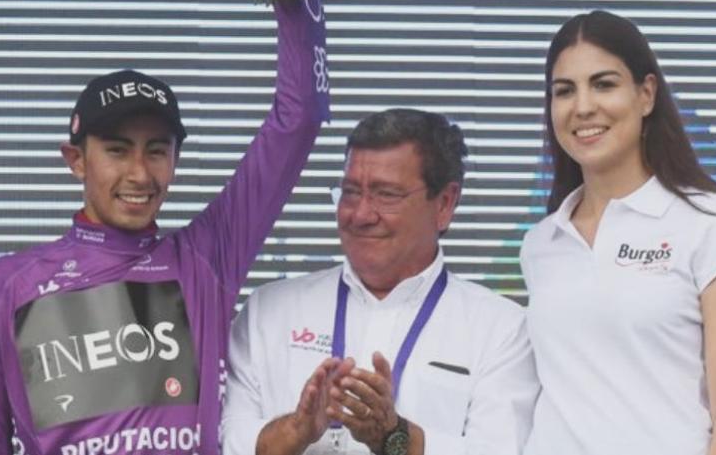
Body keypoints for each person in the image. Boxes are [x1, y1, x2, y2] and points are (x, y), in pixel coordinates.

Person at [0, 0, 328, 455]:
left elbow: (299, 120)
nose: (139, 174)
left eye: (156, 151)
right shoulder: (6, 285)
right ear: (76, 159)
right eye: (117, 151)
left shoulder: (207, 258)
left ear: (175, 159)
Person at [222, 108, 539, 455]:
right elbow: (224, 439)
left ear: (445, 204)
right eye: (350, 192)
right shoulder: (268, 311)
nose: (361, 214)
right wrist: (295, 430)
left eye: (386, 194)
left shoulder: (501, 331)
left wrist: (395, 438)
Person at [520, 10, 716, 455]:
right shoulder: (540, 244)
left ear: (646, 94)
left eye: (603, 84)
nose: (583, 106)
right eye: (564, 90)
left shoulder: (709, 221)